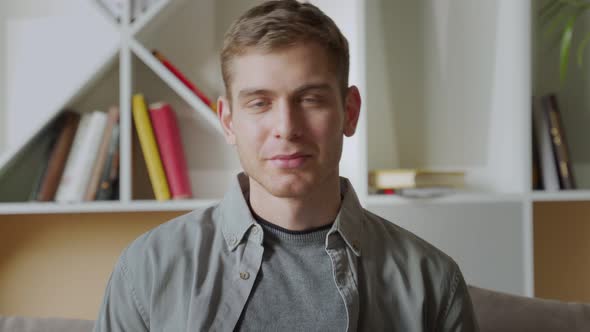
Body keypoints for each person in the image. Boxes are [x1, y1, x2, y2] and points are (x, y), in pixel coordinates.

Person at [93, 1, 479, 331]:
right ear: (228, 121)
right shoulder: (147, 270)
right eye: (259, 103)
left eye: (310, 99)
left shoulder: (433, 283)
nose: (287, 128)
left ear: (350, 112)